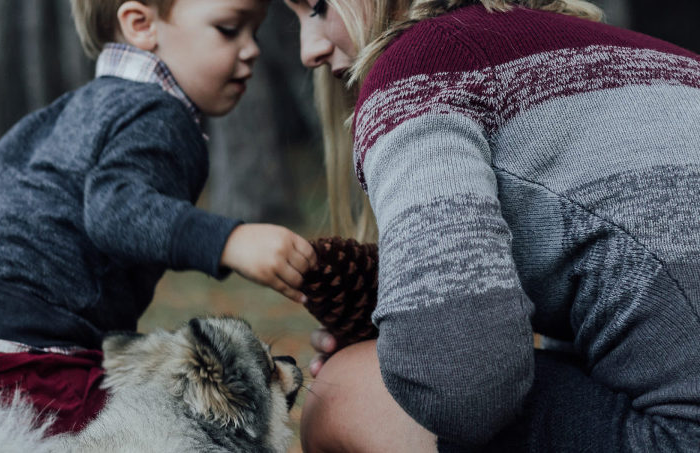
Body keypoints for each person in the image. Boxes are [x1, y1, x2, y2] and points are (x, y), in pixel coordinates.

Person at [284, 0, 700, 451]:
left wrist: (399, 355)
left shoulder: (420, 71)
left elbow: (464, 391)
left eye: (320, 6)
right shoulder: (657, 59)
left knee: (342, 392)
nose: (310, 49)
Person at [0, 0, 317, 433]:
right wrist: (229, 241)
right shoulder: (160, 115)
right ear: (140, 24)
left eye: (255, 32)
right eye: (229, 29)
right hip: (30, 354)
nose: (252, 50)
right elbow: (116, 210)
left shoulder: (63, 115)